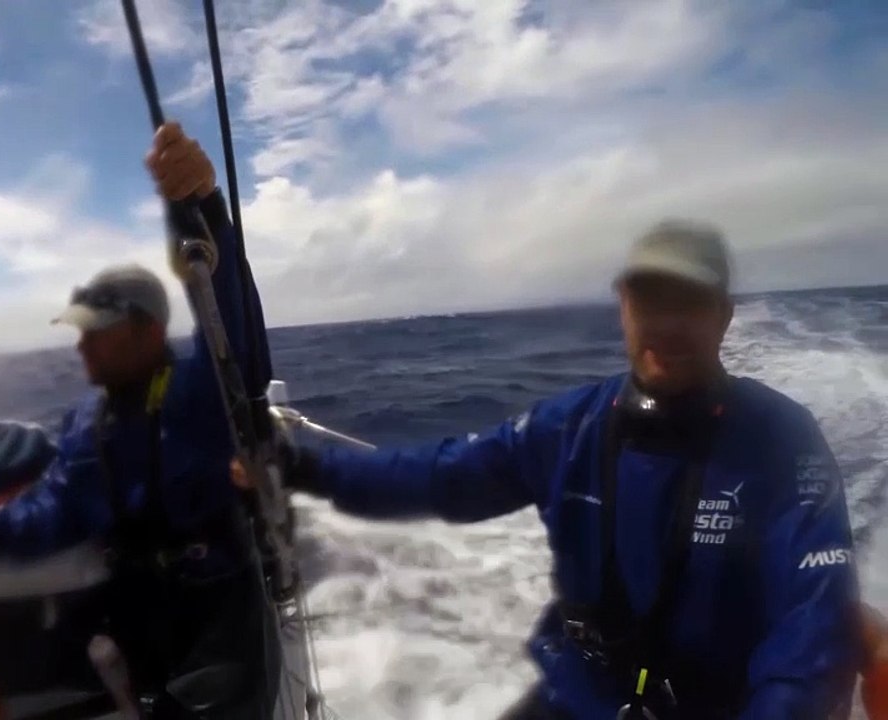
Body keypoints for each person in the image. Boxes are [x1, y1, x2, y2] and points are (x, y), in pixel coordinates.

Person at [264, 220, 863, 719]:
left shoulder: (782, 440)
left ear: (724, 316)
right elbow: (443, 477)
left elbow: (811, 623)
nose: (667, 323)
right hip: (577, 698)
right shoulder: (571, 427)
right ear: (624, 308)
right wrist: (304, 469)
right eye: (650, 302)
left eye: (689, 304)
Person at [0, 122, 279, 719]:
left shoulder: (201, 391)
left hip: (221, 615)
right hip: (136, 616)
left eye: (97, 331)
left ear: (147, 332)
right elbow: (57, 510)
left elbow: (231, 332)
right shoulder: (86, 424)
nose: (82, 346)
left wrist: (203, 207)